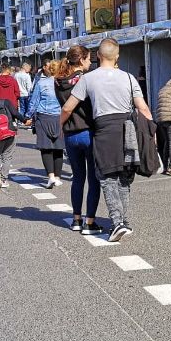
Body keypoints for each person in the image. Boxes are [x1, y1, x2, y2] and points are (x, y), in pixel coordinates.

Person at [60, 38, 154, 243]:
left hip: (104, 131)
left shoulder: (88, 79)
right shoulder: (129, 78)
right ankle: (124, 221)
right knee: (125, 178)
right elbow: (143, 108)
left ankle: (117, 222)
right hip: (127, 130)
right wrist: (151, 136)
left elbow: (68, 108)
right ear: (117, 56)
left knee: (107, 178)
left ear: (98, 56)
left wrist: (61, 127)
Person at [55, 45, 103, 235]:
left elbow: (65, 107)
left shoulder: (58, 81)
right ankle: (89, 222)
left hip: (70, 134)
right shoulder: (86, 79)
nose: (90, 62)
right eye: (89, 58)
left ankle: (76, 219)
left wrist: (61, 126)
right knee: (93, 178)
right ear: (81, 59)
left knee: (77, 178)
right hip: (88, 132)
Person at [26, 60, 65, 189]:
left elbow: (34, 101)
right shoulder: (64, 83)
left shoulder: (41, 83)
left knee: (46, 148)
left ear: (49, 70)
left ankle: (51, 176)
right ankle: (58, 177)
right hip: (60, 117)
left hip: (44, 117)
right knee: (59, 148)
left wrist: (28, 116)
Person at [0, 93, 29, 189]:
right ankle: (4, 179)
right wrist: (25, 121)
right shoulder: (5, 102)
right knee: (7, 156)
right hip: (10, 132)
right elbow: (15, 113)